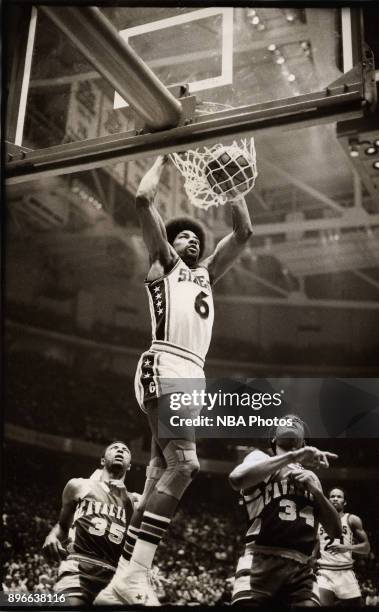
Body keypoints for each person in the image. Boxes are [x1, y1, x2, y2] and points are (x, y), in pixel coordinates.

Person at [95, 155, 253, 605]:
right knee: (187, 467)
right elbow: (144, 199)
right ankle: (135, 575)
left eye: (195, 238)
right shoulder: (164, 265)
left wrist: (230, 187)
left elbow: (243, 233)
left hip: (192, 374)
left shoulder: (206, 274)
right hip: (166, 363)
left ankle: (120, 581)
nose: (189, 239)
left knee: (159, 477)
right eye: (182, 234)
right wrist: (166, 155)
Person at [229, 415, 341, 606]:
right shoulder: (260, 458)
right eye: (285, 421)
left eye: (297, 422)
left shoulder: (312, 477)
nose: (291, 420)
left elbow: (336, 531)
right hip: (260, 560)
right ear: (274, 438)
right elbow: (236, 479)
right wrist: (293, 457)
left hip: (302, 569)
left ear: (303, 442)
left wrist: (316, 492)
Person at [42, 442, 136, 606]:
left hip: (115, 575)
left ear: (129, 466)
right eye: (114, 448)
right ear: (102, 461)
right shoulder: (78, 485)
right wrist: (51, 536)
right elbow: (63, 526)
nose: (120, 450)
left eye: (125, 450)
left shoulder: (135, 501)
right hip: (79, 567)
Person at [317, 487, 370, 606]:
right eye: (332, 496)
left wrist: (347, 547)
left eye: (339, 496)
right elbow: (316, 544)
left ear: (344, 502)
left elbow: (366, 548)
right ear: (328, 500)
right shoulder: (318, 520)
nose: (335, 499)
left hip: (345, 572)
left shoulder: (352, 519)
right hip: (324, 572)